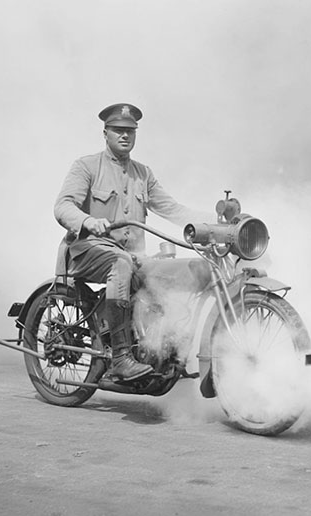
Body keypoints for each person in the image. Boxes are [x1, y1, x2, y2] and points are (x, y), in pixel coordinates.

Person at [54, 103, 208, 381]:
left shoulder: (143, 174)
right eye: (118, 130)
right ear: (105, 133)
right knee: (121, 264)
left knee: (176, 274)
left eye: (130, 131)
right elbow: (63, 206)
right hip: (88, 250)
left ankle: (165, 351)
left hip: (133, 257)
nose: (125, 135)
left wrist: (212, 222)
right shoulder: (86, 166)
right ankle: (121, 358)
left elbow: (173, 209)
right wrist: (88, 221)